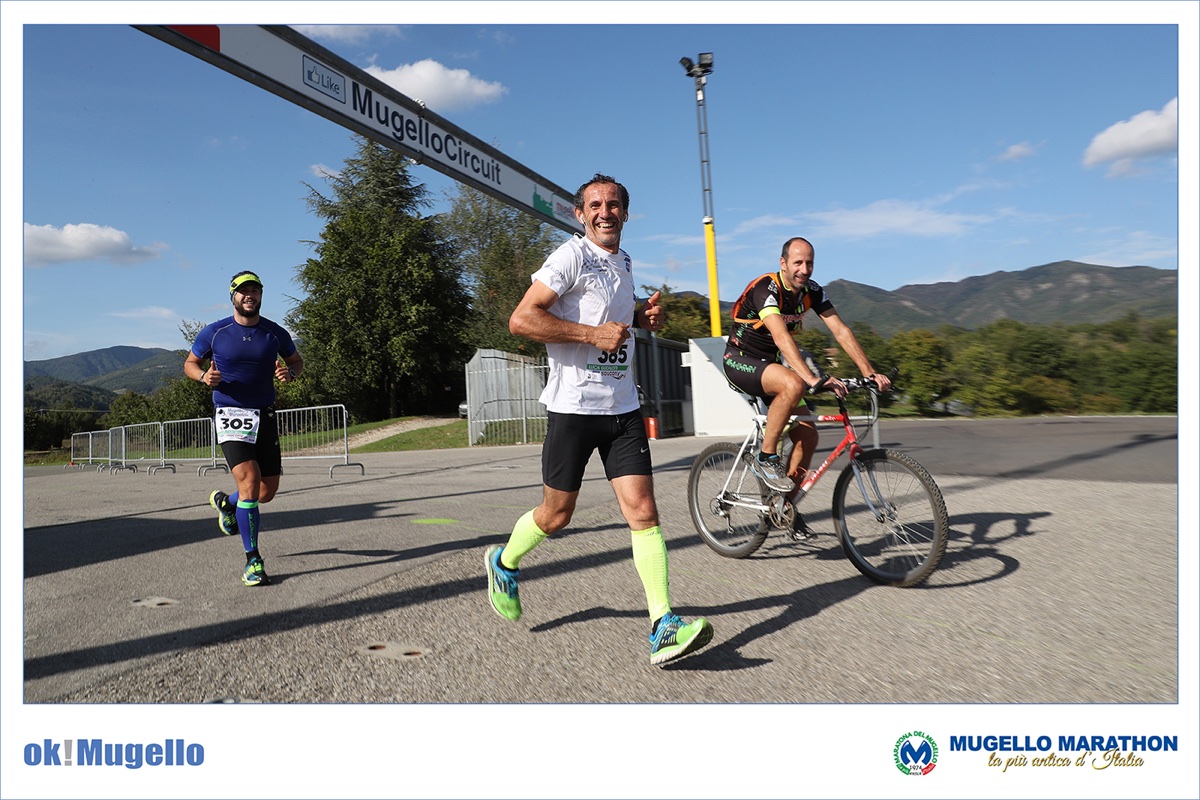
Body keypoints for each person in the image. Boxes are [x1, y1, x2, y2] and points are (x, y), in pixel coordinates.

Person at [484, 173, 713, 666]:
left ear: (626, 213)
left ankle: (662, 626)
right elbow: (521, 320)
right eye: (595, 205)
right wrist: (591, 335)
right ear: (579, 214)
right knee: (557, 516)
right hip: (573, 411)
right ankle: (504, 562)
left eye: (613, 204)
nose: (604, 212)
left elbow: (613, 317)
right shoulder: (570, 257)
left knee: (644, 513)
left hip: (623, 409)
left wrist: (639, 320)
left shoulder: (624, 261)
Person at [722, 237, 892, 537]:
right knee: (793, 383)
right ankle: (766, 457)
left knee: (808, 436)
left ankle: (783, 509)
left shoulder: (812, 292)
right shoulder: (767, 288)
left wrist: (869, 371)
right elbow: (780, 337)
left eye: (809, 263)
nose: (804, 269)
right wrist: (812, 378)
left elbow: (840, 329)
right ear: (783, 263)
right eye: (797, 262)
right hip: (740, 361)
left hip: (771, 366)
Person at [184, 271, 304, 587]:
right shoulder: (215, 332)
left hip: (264, 413)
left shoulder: (275, 333)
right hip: (229, 413)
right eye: (242, 291)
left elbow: (296, 361)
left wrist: (290, 374)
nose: (249, 295)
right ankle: (253, 561)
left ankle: (228, 503)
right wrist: (202, 378)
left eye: (254, 290)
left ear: (261, 296)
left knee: (267, 491)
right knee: (250, 479)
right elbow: (190, 364)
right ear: (233, 296)